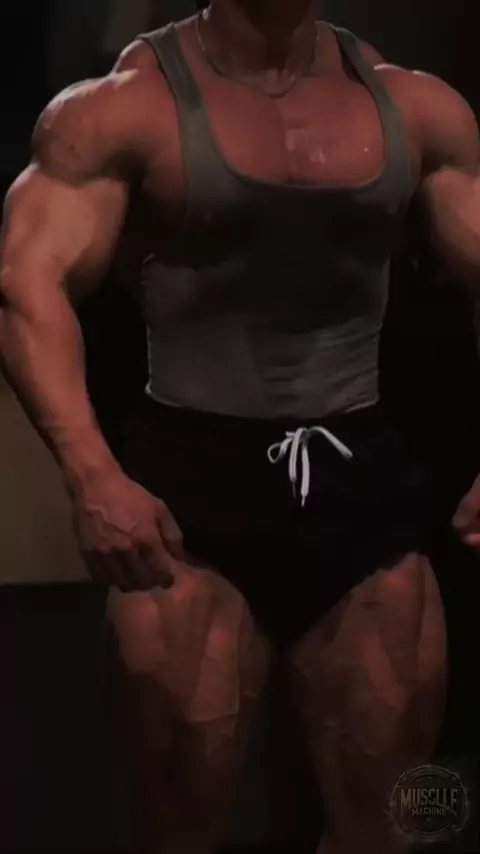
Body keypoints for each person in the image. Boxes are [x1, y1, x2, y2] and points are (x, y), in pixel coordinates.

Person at [1, 1, 480, 852]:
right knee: (180, 825)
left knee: (393, 825)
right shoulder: (123, 107)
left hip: (363, 492)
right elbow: (27, 284)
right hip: (191, 502)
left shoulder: (415, 107)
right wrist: (92, 475)